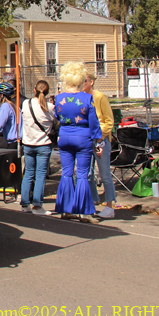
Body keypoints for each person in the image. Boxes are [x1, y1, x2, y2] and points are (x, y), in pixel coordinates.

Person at [53, 61, 102, 220]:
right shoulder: (88, 98)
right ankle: (83, 211)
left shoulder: (59, 98)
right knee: (82, 174)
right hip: (82, 137)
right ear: (81, 80)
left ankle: (66, 209)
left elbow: (57, 117)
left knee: (66, 173)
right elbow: (94, 122)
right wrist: (98, 140)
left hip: (65, 136)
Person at [20, 80, 56, 215]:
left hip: (28, 143)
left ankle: (25, 204)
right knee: (40, 174)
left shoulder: (26, 103)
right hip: (44, 144)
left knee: (28, 173)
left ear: (34, 90)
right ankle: (37, 205)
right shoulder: (50, 107)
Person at [84, 73, 117, 219]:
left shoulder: (100, 97)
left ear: (91, 82)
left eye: (84, 81)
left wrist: (99, 136)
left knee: (104, 173)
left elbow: (109, 121)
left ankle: (110, 205)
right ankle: (93, 200)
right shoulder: (82, 98)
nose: (81, 84)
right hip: (86, 140)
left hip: (99, 141)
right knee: (87, 173)